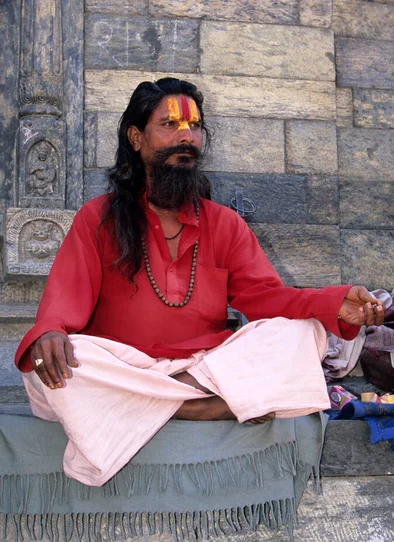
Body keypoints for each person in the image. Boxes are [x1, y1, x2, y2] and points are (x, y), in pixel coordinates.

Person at [14, 77, 384, 486]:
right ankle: (201, 406)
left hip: (202, 368)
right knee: (49, 366)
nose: (186, 136)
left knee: (302, 334)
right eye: (169, 125)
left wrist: (333, 304)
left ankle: (158, 401)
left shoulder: (224, 224)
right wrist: (49, 331)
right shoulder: (98, 217)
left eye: (193, 126)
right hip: (123, 365)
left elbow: (265, 297)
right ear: (136, 138)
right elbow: (64, 297)